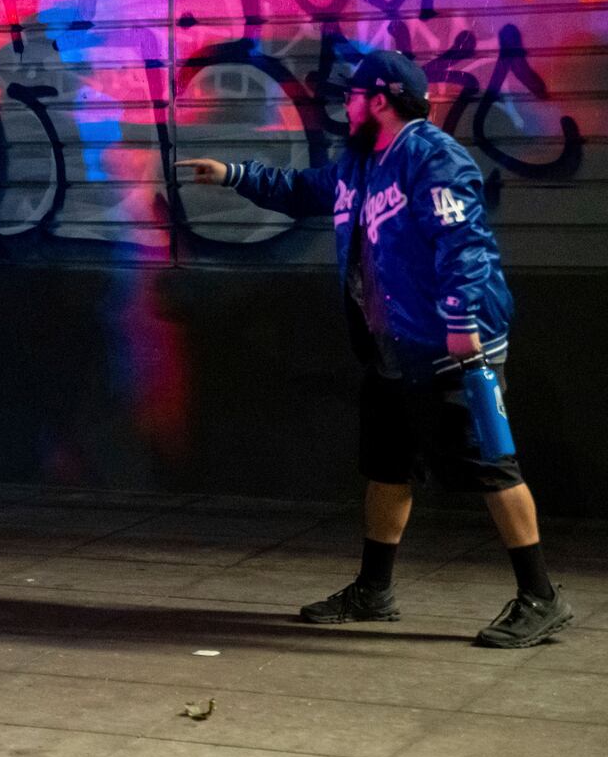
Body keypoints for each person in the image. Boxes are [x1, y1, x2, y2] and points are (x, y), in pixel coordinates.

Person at [176, 49, 572, 648]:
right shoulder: (361, 163)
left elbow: (464, 243)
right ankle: (374, 591)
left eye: (352, 96)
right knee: (387, 468)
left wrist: (463, 320)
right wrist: (233, 175)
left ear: (379, 99)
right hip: (395, 350)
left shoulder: (432, 157)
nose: (344, 105)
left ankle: (541, 597)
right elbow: (304, 189)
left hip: (452, 346)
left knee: (492, 465)